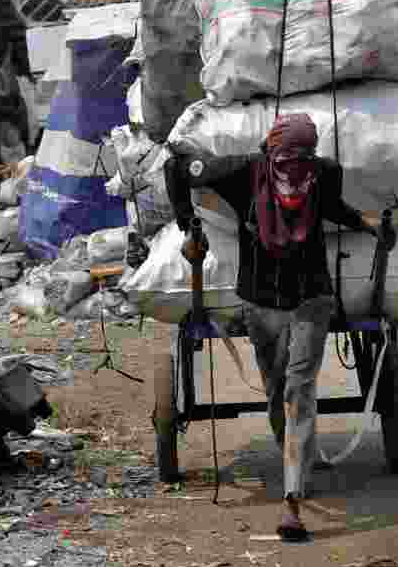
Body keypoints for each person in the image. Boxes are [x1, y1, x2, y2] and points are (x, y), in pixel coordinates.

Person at [164, 113, 384, 543]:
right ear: (272, 152)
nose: (296, 170)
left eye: (305, 159)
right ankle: (296, 460)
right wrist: (184, 225)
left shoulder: (324, 174)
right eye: (288, 158)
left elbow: (332, 208)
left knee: (298, 390)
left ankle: (291, 500)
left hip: (312, 298)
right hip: (259, 302)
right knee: (275, 392)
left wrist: (364, 224)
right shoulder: (243, 172)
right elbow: (175, 167)